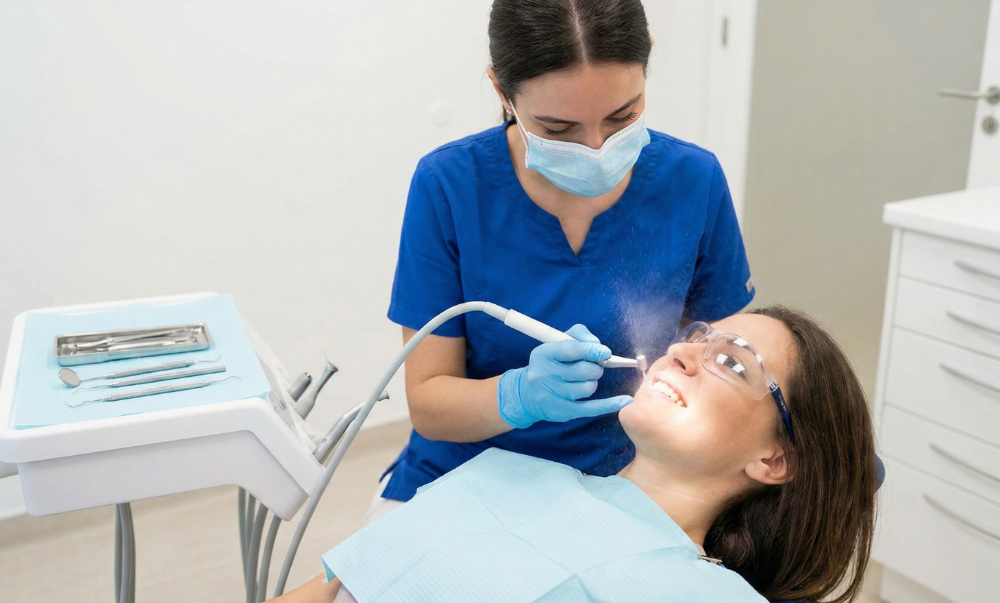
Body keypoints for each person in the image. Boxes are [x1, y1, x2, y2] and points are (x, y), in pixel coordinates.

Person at [375, 0, 756, 520]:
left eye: (623, 116)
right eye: (558, 129)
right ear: (501, 91)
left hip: (626, 483)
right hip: (463, 480)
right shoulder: (451, 186)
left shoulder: (693, 181)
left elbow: (722, 356)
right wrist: (517, 397)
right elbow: (429, 405)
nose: (597, 147)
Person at [274, 306, 878, 603]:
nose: (683, 353)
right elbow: (324, 593)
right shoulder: (504, 473)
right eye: (698, 336)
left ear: (775, 460)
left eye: (732, 362)